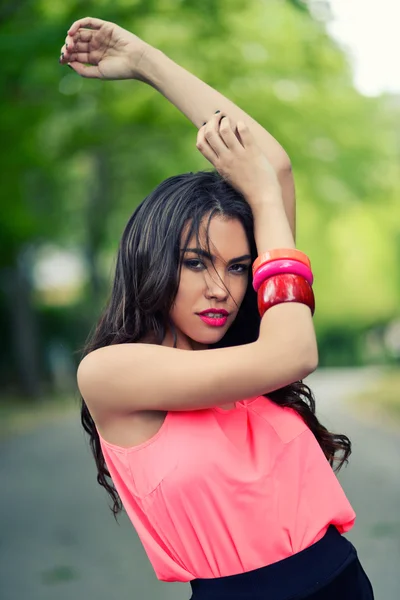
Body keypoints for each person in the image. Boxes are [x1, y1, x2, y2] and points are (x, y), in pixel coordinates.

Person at [60, 16, 374, 599]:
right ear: (152, 262)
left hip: (344, 580)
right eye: (196, 262)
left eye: (238, 266)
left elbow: (272, 166)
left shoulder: (246, 354)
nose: (223, 290)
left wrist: (145, 62)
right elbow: (296, 351)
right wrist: (257, 197)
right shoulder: (110, 372)